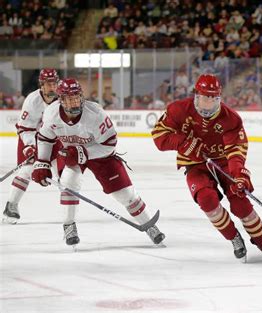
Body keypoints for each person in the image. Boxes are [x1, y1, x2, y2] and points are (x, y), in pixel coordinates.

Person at [151, 73, 262, 261]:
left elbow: (236, 151)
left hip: (224, 161)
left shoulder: (231, 118)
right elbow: (159, 137)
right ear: (196, 95)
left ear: (219, 98)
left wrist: (239, 175)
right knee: (206, 200)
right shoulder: (178, 110)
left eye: (213, 99)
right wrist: (183, 143)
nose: (208, 105)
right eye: (204, 98)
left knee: (241, 203)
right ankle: (233, 237)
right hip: (194, 164)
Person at [31, 78, 165, 247]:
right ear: (60, 100)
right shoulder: (51, 114)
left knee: (125, 194)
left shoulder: (95, 114)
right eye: (68, 98)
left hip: (100, 154)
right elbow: (44, 138)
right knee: (68, 182)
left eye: (76, 97)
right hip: (73, 154)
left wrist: (83, 153)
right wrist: (41, 162)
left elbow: (110, 144)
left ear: (81, 96)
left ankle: (149, 225)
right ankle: (69, 225)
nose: (73, 101)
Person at [3, 69, 60, 224]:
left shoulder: (63, 98)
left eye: (54, 83)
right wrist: (30, 146)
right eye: (49, 83)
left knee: (64, 170)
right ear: (41, 84)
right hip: (31, 138)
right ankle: (11, 205)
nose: (52, 86)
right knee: (26, 170)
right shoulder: (32, 100)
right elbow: (25, 128)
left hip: (54, 140)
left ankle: (69, 203)